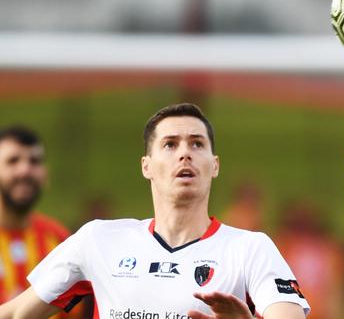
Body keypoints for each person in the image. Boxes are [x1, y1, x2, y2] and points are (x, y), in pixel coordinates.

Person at [0, 103, 310, 319]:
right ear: (146, 166)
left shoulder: (250, 249)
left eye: (197, 144)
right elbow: (15, 313)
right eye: (170, 144)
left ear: (214, 165)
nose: (185, 153)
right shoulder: (98, 240)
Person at [0, 126, 88, 319]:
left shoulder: (58, 238)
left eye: (34, 161)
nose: (25, 170)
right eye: (13, 161)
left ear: (45, 175)